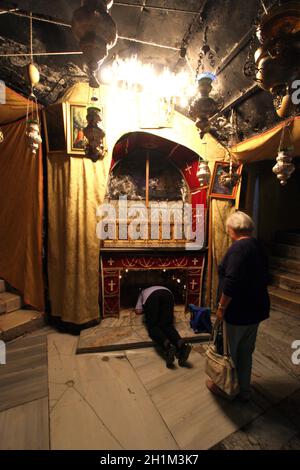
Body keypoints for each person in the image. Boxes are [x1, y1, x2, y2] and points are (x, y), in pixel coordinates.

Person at [206, 211, 270, 402]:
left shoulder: (238, 248)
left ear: (232, 229)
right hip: (256, 309)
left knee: (229, 352)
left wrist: (221, 308)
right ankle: (244, 391)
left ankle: (227, 389)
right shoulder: (258, 246)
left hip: (238, 312)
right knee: (246, 352)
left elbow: (231, 281)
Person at [135, 286, 192, 368]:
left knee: (153, 326)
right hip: (168, 294)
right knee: (167, 325)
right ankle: (181, 345)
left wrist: (147, 309)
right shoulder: (162, 287)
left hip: (152, 297)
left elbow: (138, 310)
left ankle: (168, 346)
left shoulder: (143, 292)